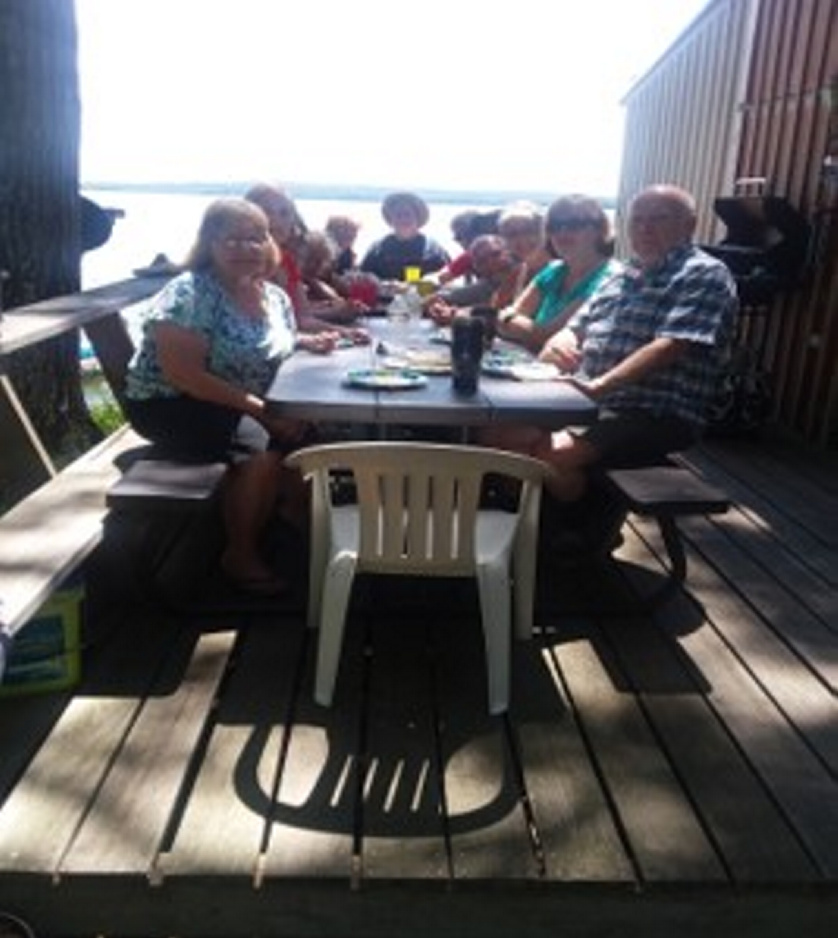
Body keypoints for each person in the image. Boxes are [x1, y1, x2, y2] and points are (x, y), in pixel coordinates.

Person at [487, 184, 738, 514]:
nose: (644, 229)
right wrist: (563, 340)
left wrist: (599, 386)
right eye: (637, 221)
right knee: (497, 437)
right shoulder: (626, 272)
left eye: (658, 219)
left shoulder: (704, 273)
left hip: (652, 412)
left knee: (551, 456)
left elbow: (670, 345)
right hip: (587, 400)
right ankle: (526, 526)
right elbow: (578, 325)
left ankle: (576, 533)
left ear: (688, 225)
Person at [123, 197, 317, 595]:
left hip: (243, 399)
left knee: (310, 438)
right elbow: (185, 375)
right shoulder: (191, 293)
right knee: (260, 449)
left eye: (256, 238)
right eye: (232, 239)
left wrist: (315, 343)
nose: (246, 248)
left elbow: (279, 345)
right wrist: (265, 412)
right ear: (209, 244)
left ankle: (290, 521)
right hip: (172, 401)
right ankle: (239, 553)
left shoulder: (273, 296)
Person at [244, 183, 367, 346]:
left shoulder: (286, 261)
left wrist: (346, 332)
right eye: (266, 211)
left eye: (284, 213)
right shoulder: (239, 264)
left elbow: (303, 318)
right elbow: (254, 329)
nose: (275, 220)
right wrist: (304, 340)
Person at [496, 195, 622, 354]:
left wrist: (510, 320)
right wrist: (513, 322)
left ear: (599, 229)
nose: (563, 232)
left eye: (574, 224)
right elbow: (502, 324)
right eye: (555, 226)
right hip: (531, 365)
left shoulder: (610, 277)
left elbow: (552, 334)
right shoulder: (553, 270)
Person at [359, 191, 450, 282]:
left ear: (417, 218)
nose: (403, 219)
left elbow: (448, 276)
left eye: (407, 214)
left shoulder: (433, 249)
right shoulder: (377, 249)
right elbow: (364, 276)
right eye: (398, 215)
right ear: (391, 219)